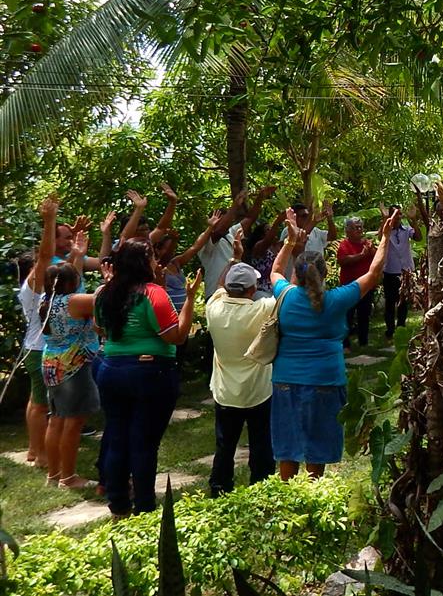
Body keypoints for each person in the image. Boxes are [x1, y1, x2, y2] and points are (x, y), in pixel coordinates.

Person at [269, 208, 396, 481]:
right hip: (325, 380)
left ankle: (286, 499)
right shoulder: (336, 300)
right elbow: (373, 274)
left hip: (285, 379)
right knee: (318, 445)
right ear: (326, 272)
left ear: (300, 275)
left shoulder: (286, 296)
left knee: (287, 447)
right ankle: (316, 496)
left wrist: (290, 241)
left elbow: (276, 271)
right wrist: (385, 237)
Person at [95, 239, 201, 515]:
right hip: (150, 373)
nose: (157, 262)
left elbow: (99, 327)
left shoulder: (105, 293)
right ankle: (144, 506)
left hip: (111, 370)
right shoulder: (152, 294)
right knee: (143, 443)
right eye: (153, 257)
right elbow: (176, 337)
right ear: (145, 262)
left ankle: (117, 503)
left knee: (117, 437)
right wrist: (189, 299)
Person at [32, 197, 102, 489]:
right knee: (73, 422)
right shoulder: (76, 301)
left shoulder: (48, 300)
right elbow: (106, 297)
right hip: (73, 365)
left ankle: (54, 474)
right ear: (73, 283)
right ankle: (69, 476)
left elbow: (62, 272)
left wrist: (77, 255)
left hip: (51, 360)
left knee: (57, 418)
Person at [204, 233, 276, 496]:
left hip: (225, 392)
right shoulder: (261, 309)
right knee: (261, 443)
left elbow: (221, 285)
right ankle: (262, 486)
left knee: (225, 445)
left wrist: (234, 258)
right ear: (251, 289)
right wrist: (290, 246)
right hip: (258, 391)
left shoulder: (214, 308)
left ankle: (219, 487)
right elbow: (282, 286)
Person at [16, 252, 49, 471]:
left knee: (35, 399)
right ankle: (42, 456)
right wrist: (49, 223)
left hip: (33, 348)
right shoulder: (32, 287)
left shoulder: (36, 291)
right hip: (38, 350)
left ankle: (33, 449)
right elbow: (45, 257)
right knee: (41, 404)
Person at [380, 203, 422, 339]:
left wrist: (414, 220)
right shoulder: (387, 230)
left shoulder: (406, 229)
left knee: (403, 302)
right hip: (390, 271)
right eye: (394, 214)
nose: (397, 217)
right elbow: (380, 236)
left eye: (399, 214)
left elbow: (418, 237)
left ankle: (401, 328)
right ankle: (390, 330)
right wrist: (384, 218)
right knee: (390, 303)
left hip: (405, 272)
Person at [336, 216, 377, 351]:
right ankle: (345, 344)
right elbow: (343, 261)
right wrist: (361, 255)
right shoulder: (344, 245)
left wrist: (371, 251)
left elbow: (377, 258)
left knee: (364, 314)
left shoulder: (367, 243)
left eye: (360, 227)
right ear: (347, 230)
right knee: (347, 315)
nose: (359, 230)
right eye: (355, 228)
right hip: (349, 286)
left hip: (365, 286)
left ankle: (363, 342)